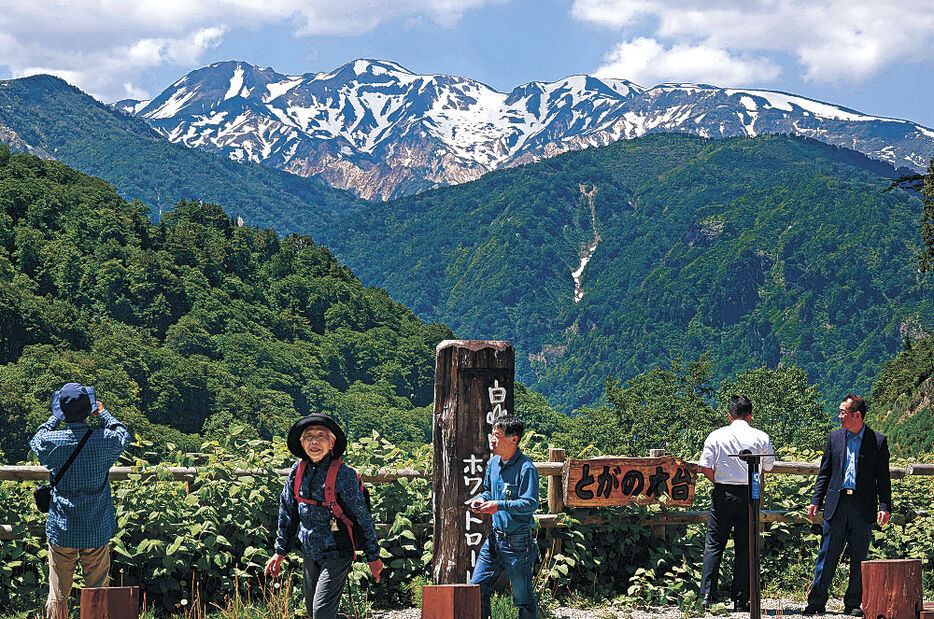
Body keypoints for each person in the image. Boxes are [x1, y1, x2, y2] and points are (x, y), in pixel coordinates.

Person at [265, 414, 384, 619]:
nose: (314, 441)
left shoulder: (344, 475)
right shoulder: (297, 471)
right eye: (308, 436)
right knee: (314, 614)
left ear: (332, 443)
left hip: (338, 551)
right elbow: (287, 511)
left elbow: (363, 517)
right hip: (310, 551)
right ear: (302, 443)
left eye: (321, 436)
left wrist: (373, 556)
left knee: (321, 614)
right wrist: (280, 551)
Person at [29, 382, 132, 619]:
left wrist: (55, 419)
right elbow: (123, 435)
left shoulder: (52, 441)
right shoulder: (104, 440)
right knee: (98, 591)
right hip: (96, 526)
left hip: (62, 526)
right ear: (89, 410)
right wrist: (103, 412)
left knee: (58, 592)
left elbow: (37, 438)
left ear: (62, 412)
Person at [802, 395, 891, 617]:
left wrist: (885, 505)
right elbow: (825, 473)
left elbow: (883, 477)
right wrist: (815, 500)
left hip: (863, 506)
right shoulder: (834, 438)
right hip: (837, 504)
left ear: (857, 415)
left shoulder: (877, 441)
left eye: (843, 412)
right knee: (827, 555)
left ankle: (853, 603)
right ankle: (816, 602)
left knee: (859, 557)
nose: (839, 416)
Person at [697, 395, 774, 612]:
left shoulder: (716, 435)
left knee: (714, 544)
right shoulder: (761, 436)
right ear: (750, 415)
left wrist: (719, 481)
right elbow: (768, 467)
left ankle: (706, 596)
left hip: (724, 492)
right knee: (745, 546)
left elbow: (705, 466)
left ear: (730, 415)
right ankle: (741, 600)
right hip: (751, 494)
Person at [469, 416, 539, 619]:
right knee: (477, 587)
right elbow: (488, 492)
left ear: (513, 440)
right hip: (494, 539)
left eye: (497, 436)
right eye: (492, 434)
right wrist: (480, 500)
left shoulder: (526, 468)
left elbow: (530, 503)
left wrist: (499, 505)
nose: (492, 439)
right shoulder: (493, 464)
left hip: (519, 543)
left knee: (522, 598)